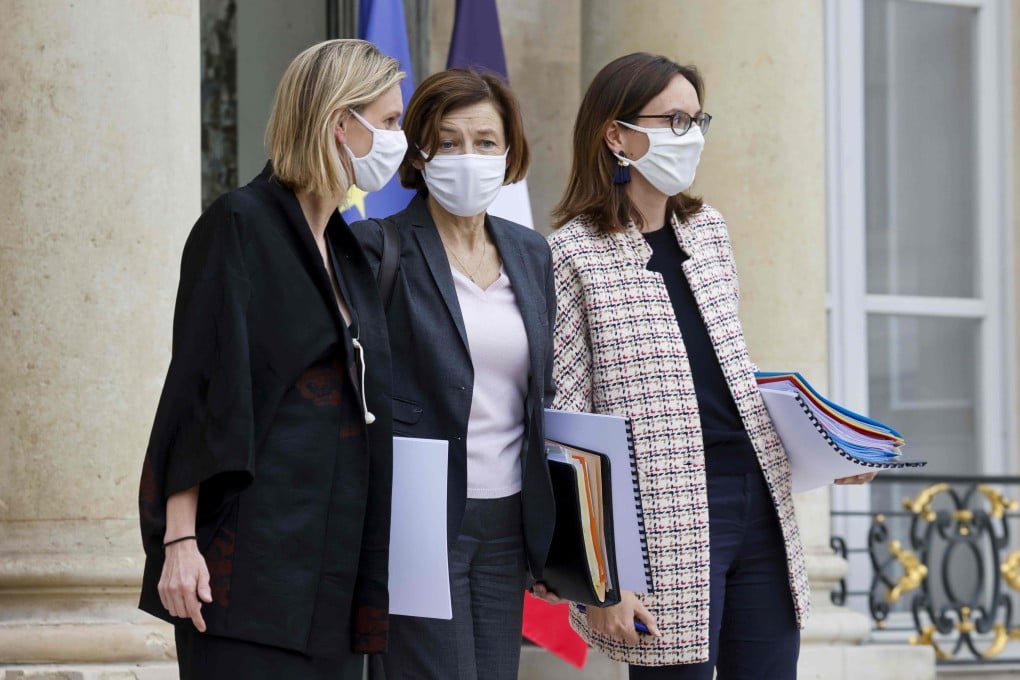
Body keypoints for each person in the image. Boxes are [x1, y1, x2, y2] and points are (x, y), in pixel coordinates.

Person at [542, 52, 875, 679]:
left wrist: (828, 449)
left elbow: (723, 377)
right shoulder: (570, 254)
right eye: (672, 120)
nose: (689, 136)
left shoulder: (709, 231)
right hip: (663, 515)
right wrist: (600, 581)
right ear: (616, 135)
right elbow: (567, 426)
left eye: (697, 120)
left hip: (758, 496)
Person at [137, 39, 407, 679]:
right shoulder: (240, 224)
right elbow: (197, 392)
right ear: (340, 122)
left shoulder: (347, 249)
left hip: (333, 579)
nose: (401, 140)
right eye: (390, 121)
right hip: (246, 574)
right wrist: (179, 541)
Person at [351, 68, 556, 680]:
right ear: (419, 152)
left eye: (486, 142)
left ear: (510, 150)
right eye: (449, 141)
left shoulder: (530, 251)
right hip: (418, 515)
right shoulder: (376, 246)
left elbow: (541, 394)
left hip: (508, 521)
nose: (469, 156)